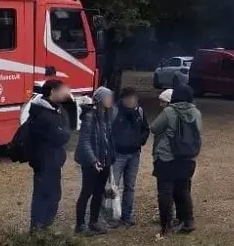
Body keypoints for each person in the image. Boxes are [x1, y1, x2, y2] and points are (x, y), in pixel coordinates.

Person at [150, 84, 202, 239]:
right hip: (187, 157)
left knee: (165, 191)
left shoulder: (169, 111)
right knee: (184, 190)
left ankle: (166, 225)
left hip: (167, 157)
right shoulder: (196, 113)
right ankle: (188, 221)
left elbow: (154, 128)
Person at [29, 79, 73, 232]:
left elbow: (64, 130)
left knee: (54, 196)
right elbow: (60, 136)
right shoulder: (42, 113)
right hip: (44, 162)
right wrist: (64, 133)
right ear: (52, 92)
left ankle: (45, 228)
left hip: (54, 162)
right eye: (61, 89)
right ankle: (37, 230)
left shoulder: (56, 109)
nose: (65, 92)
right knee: (42, 196)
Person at [74, 86, 115, 235]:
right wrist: (93, 160)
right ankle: (80, 226)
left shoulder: (107, 115)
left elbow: (108, 139)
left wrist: (110, 157)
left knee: (99, 192)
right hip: (91, 162)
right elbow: (84, 142)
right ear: (99, 100)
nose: (110, 100)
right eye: (107, 97)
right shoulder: (90, 117)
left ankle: (94, 222)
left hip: (104, 160)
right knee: (86, 192)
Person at [110, 87, 150, 227]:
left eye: (135, 99)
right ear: (124, 99)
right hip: (117, 154)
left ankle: (127, 215)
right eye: (131, 98)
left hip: (134, 154)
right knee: (112, 186)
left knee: (130, 186)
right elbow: (107, 132)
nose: (134, 101)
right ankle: (111, 217)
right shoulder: (114, 111)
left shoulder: (139, 112)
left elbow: (146, 129)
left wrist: (140, 141)